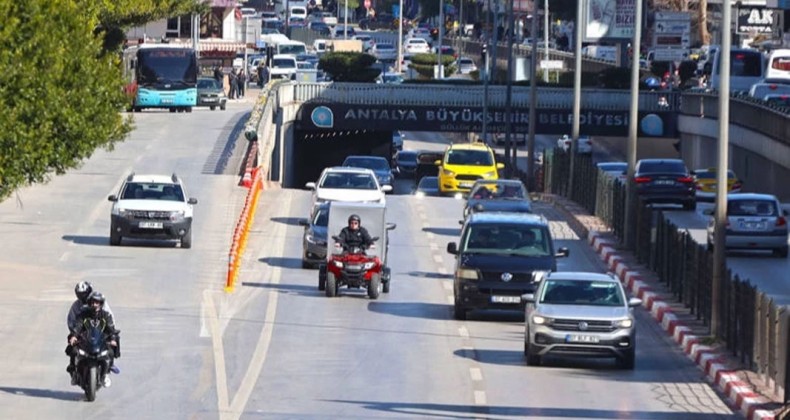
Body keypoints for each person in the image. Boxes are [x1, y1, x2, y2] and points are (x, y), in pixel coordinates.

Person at [68, 291, 119, 387]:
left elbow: (111, 329)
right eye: (92, 302)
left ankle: (106, 374)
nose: (94, 304)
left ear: (100, 303)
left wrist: (112, 339)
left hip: (101, 342)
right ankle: (74, 373)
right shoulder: (83, 315)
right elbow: (78, 326)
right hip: (85, 341)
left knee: (111, 352)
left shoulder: (106, 315)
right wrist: (74, 336)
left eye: (96, 302)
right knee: (73, 350)